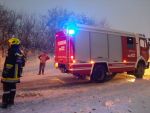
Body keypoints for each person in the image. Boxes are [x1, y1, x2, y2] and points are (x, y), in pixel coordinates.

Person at [0, 37, 26, 109]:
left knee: (6, 89)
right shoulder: (19, 52)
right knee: (13, 88)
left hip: (9, 74)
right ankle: (11, 101)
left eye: (10, 43)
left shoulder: (11, 51)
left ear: (13, 43)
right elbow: (23, 63)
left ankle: (5, 103)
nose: (9, 44)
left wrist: (5, 72)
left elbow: (9, 63)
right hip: (16, 74)